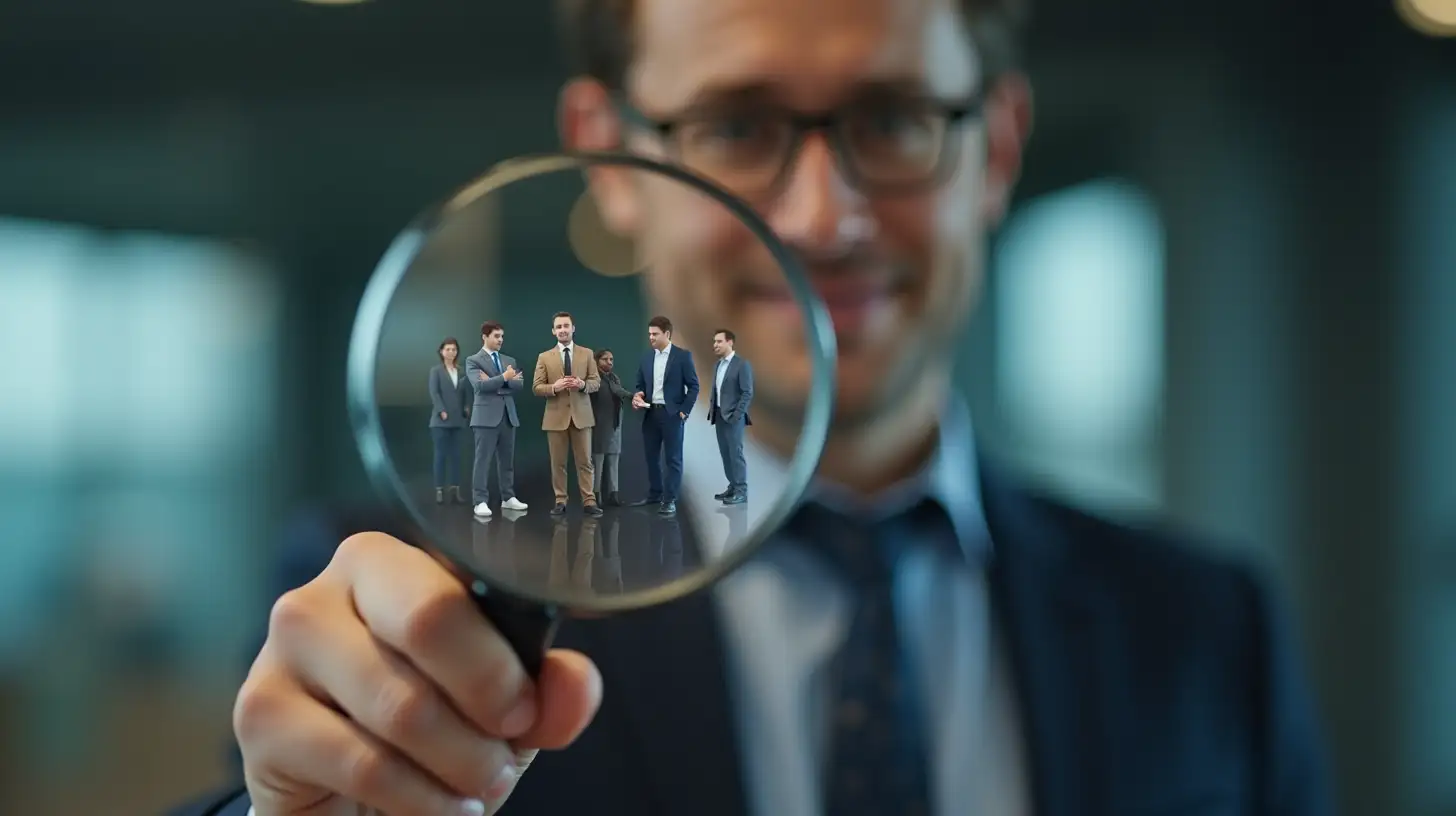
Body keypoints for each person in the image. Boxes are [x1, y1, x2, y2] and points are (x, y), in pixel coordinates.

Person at [185, 0, 1333, 814]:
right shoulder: (421, 606)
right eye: (737, 128)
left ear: (996, 152)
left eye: (892, 121)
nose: (824, 218)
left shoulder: (1206, 632)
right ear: (608, 159)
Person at [533, 311, 603, 518]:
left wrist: (582, 385)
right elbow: (536, 387)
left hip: (582, 416)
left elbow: (595, 382)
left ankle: (589, 501)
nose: (563, 330)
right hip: (555, 418)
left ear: (573, 328)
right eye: (559, 327)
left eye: (566, 326)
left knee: (585, 462)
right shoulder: (544, 357)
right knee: (558, 463)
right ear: (554, 332)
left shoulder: (587, 354)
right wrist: (554, 387)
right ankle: (560, 500)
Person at [629, 316, 700, 516]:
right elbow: (640, 385)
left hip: (672, 415)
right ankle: (654, 495)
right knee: (651, 457)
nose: (651, 337)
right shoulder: (646, 358)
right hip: (650, 414)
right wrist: (638, 396)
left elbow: (694, 387)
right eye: (650, 334)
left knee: (673, 459)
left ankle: (670, 500)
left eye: (655, 334)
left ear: (667, 334)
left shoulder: (682, 357)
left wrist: (684, 411)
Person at [465, 321, 529, 518]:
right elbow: (480, 386)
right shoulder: (473, 360)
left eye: (502, 336)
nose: (500, 340)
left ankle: (508, 497)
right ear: (485, 337)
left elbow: (519, 385)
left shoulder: (509, 359)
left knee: (506, 461)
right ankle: (480, 501)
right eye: (496, 336)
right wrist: (505, 377)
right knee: (483, 461)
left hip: (508, 416)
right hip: (485, 418)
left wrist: (497, 381)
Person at [707, 329, 753, 505]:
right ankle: (732, 486)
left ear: (730, 342)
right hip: (719, 415)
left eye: (719, 341)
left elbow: (747, 392)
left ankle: (741, 490)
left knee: (735, 453)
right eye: (714, 342)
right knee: (725, 453)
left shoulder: (741, 365)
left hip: (733, 417)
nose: (715, 345)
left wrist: (737, 415)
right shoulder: (717, 366)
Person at [427, 337, 472, 505]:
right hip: (440, 421)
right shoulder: (436, 371)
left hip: (458, 420)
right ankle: (439, 490)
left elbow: (465, 393)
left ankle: (455, 490)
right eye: (448, 349)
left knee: (456, 456)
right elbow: (434, 393)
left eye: (454, 349)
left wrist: (467, 407)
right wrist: (441, 410)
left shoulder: (460, 371)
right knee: (440, 455)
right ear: (441, 351)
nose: (451, 352)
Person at [589, 348, 632, 507]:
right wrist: (631, 396)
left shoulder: (614, 378)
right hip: (599, 425)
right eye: (605, 359)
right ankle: (595, 495)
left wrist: (632, 397)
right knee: (597, 462)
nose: (609, 362)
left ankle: (613, 494)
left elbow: (618, 391)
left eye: (611, 359)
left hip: (615, 425)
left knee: (614, 461)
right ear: (597, 361)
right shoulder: (593, 379)